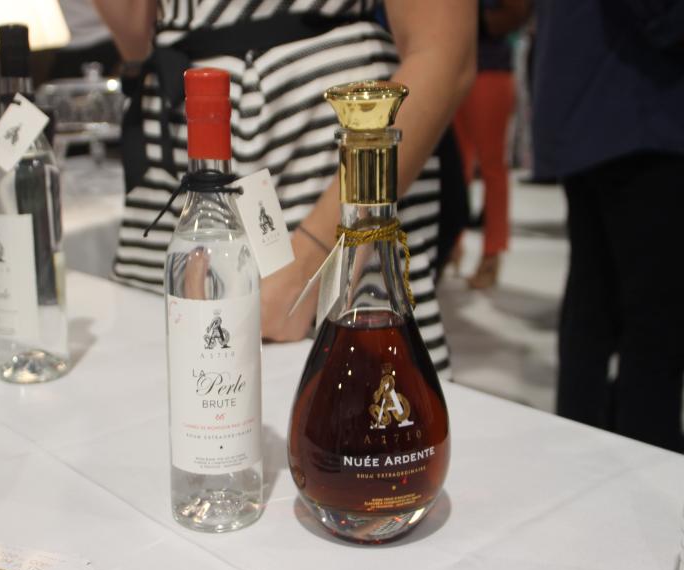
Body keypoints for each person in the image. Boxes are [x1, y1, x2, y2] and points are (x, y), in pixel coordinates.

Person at [93, 0, 476, 377]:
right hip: (177, 144)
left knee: (351, 396)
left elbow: (444, 50)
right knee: (169, 389)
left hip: (322, 167)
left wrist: (314, 265)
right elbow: (135, 35)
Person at [532, 1, 684, 452]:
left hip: (602, 104)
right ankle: (645, 455)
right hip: (637, 108)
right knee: (652, 319)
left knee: (596, 301)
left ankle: (588, 453)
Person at [453, 0, 531, 289]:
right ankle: (453, 244)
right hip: (453, 69)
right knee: (456, 165)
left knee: (492, 166)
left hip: (490, 69)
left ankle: (492, 252)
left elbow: (515, 14)